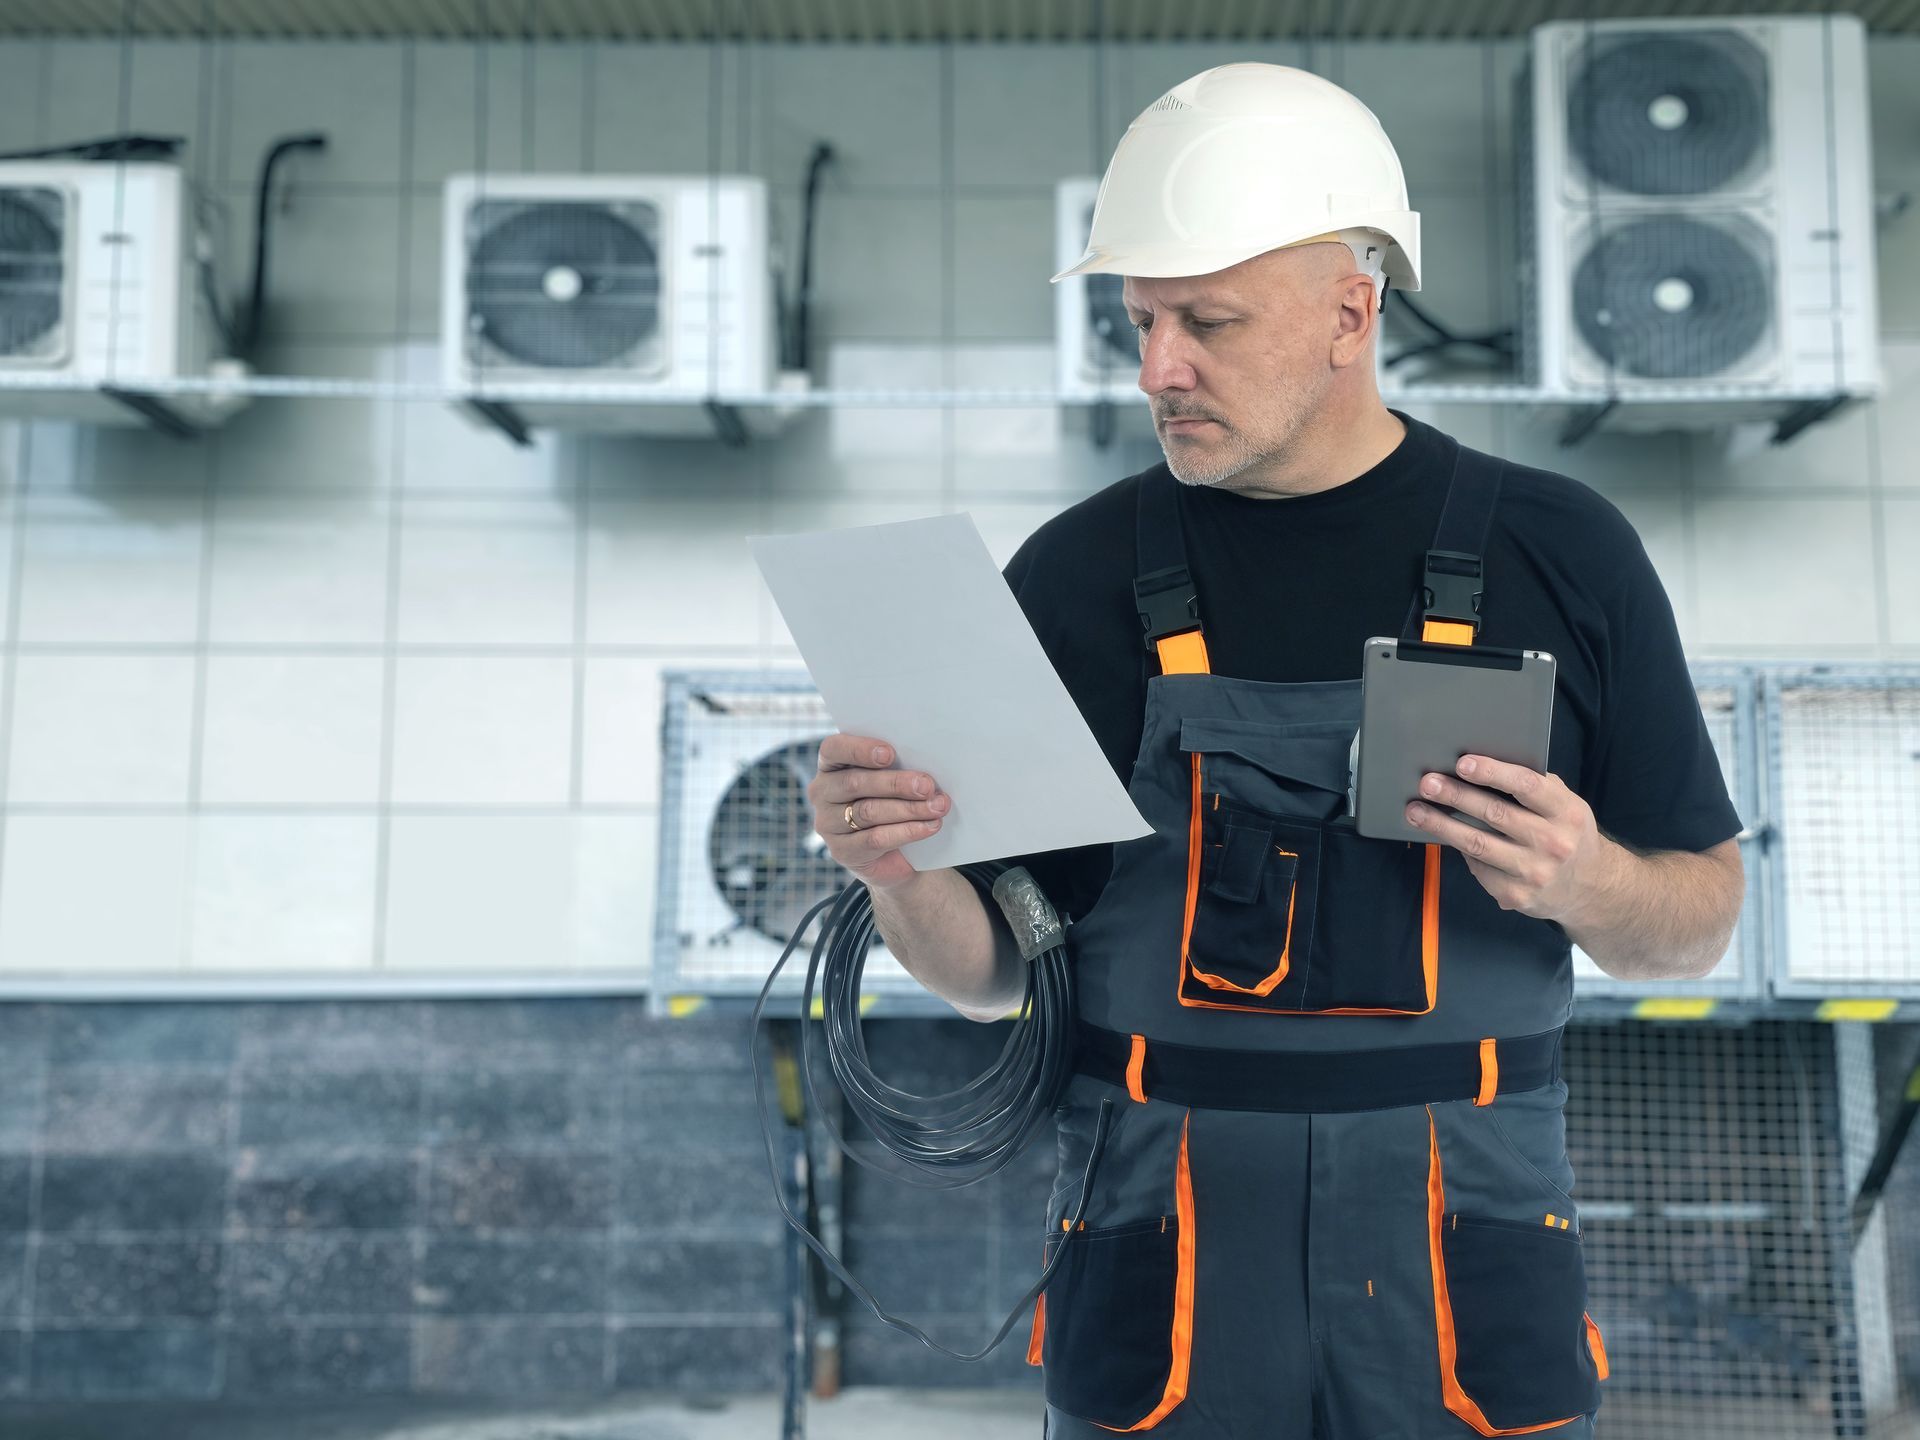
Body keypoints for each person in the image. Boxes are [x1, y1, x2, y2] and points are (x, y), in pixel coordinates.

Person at [807, 62, 1744, 1439]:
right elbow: (991, 975)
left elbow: (1696, 923)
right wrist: (895, 867)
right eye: (1141, 324)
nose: (1158, 369)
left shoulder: (1563, 551)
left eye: (1209, 322)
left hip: (1458, 1224)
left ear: (1349, 315)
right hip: (1161, 1219)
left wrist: (1586, 877)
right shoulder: (1077, 574)